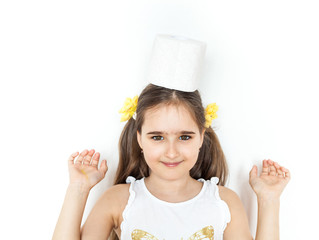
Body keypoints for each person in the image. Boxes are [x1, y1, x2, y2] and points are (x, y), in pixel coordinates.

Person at [52, 35, 290, 240]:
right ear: (139, 138)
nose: (172, 151)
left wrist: (269, 200)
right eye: (157, 137)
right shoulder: (118, 200)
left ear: (201, 137)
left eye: (184, 137)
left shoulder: (224, 203)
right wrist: (78, 188)